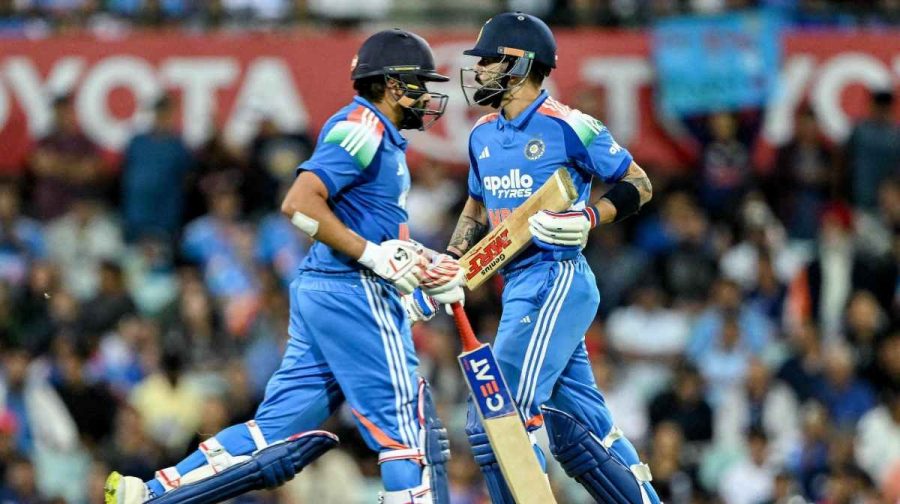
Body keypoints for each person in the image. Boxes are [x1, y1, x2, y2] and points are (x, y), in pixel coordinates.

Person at [105, 29, 463, 504]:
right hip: (353, 289)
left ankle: (149, 494)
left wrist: (417, 270)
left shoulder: (377, 132)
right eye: (418, 81)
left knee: (274, 430)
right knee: (409, 436)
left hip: (331, 290)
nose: (426, 94)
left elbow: (371, 227)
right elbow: (299, 203)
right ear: (393, 83)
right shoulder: (363, 124)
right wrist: (375, 257)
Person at [448, 12, 660, 503]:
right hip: (517, 287)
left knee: (496, 417)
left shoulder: (570, 126)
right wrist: (454, 259)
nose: (478, 72)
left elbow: (639, 183)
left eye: (487, 61)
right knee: (578, 434)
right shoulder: (481, 133)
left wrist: (588, 217)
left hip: (556, 278)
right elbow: (477, 204)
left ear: (520, 63)